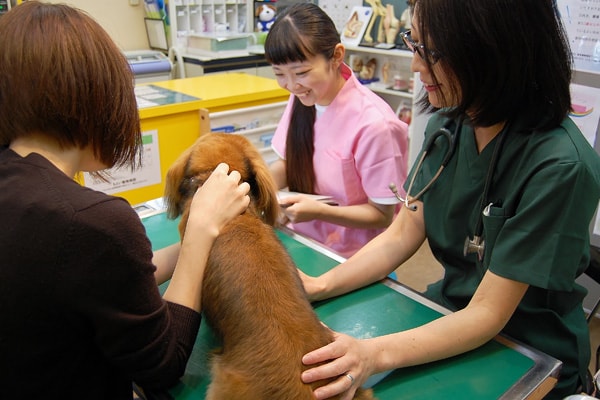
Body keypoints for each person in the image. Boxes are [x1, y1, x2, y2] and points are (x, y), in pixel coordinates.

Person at [298, 1, 600, 399]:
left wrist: (371, 354)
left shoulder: (561, 167)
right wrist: (319, 286)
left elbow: (488, 314)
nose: (417, 65)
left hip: (529, 354)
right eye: (414, 42)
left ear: (493, 48)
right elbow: (403, 231)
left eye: (432, 51)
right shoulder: (448, 126)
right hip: (445, 317)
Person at [0, 2, 250, 399]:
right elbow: (163, 364)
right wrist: (201, 227)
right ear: (96, 98)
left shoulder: (19, 186)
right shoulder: (91, 220)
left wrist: (189, 246)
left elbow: (101, 283)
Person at [264, 3, 409, 258]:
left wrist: (319, 211)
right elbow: (288, 163)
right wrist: (255, 188)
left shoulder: (376, 125)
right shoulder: (304, 97)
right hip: (303, 242)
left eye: (301, 72)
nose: (291, 85)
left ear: (337, 56)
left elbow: (382, 214)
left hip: (354, 257)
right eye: (280, 74)